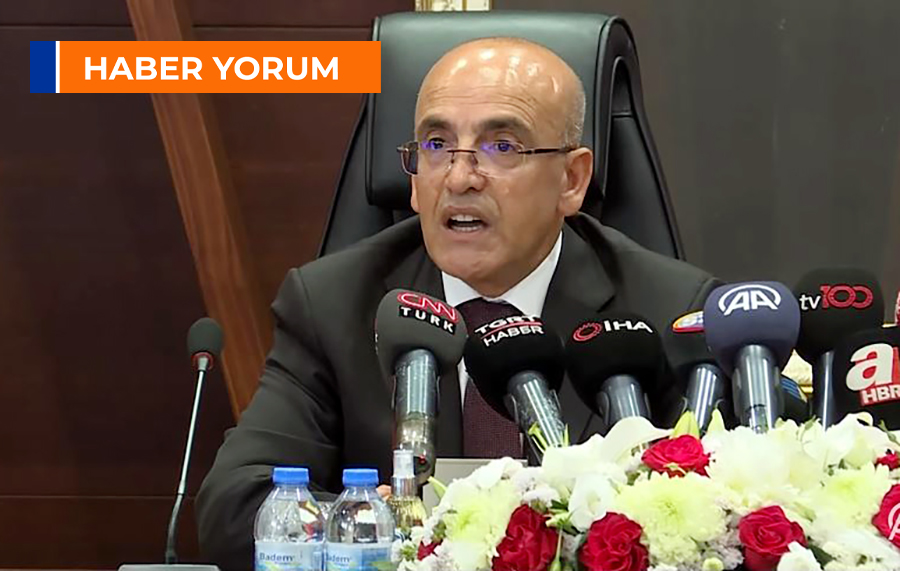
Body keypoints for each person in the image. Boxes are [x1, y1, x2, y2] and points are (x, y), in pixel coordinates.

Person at [196, 37, 719, 570]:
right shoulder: (332, 304)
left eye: (502, 147)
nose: (460, 177)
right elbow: (235, 508)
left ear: (572, 179)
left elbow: (721, 520)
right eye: (436, 145)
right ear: (413, 181)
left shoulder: (668, 310)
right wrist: (390, 531)